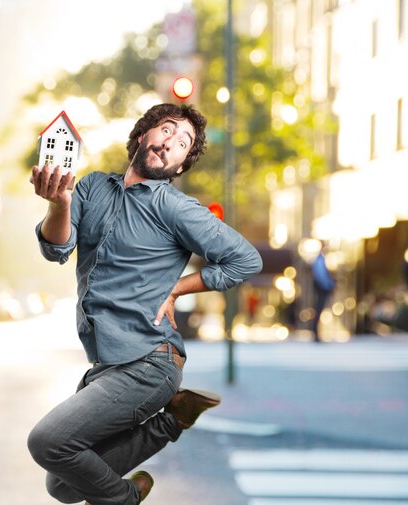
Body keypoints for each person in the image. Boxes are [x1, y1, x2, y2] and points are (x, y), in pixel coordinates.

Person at [27, 103, 262, 505]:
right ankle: (172, 419)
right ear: (142, 136)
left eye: (183, 144)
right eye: (166, 130)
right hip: (107, 365)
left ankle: (124, 500)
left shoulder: (175, 207)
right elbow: (57, 248)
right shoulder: (91, 187)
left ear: (180, 166)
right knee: (63, 485)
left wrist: (176, 289)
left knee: (48, 441)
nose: (171, 142)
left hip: (150, 361)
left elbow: (246, 260)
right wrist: (59, 202)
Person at [311, 249, 335, 342]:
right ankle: (315, 332)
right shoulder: (320, 260)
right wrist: (329, 285)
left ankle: (316, 332)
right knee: (319, 310)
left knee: (319, 310)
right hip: (322, 289)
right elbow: (320, 276)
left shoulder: (320, 260)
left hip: (322, 288)